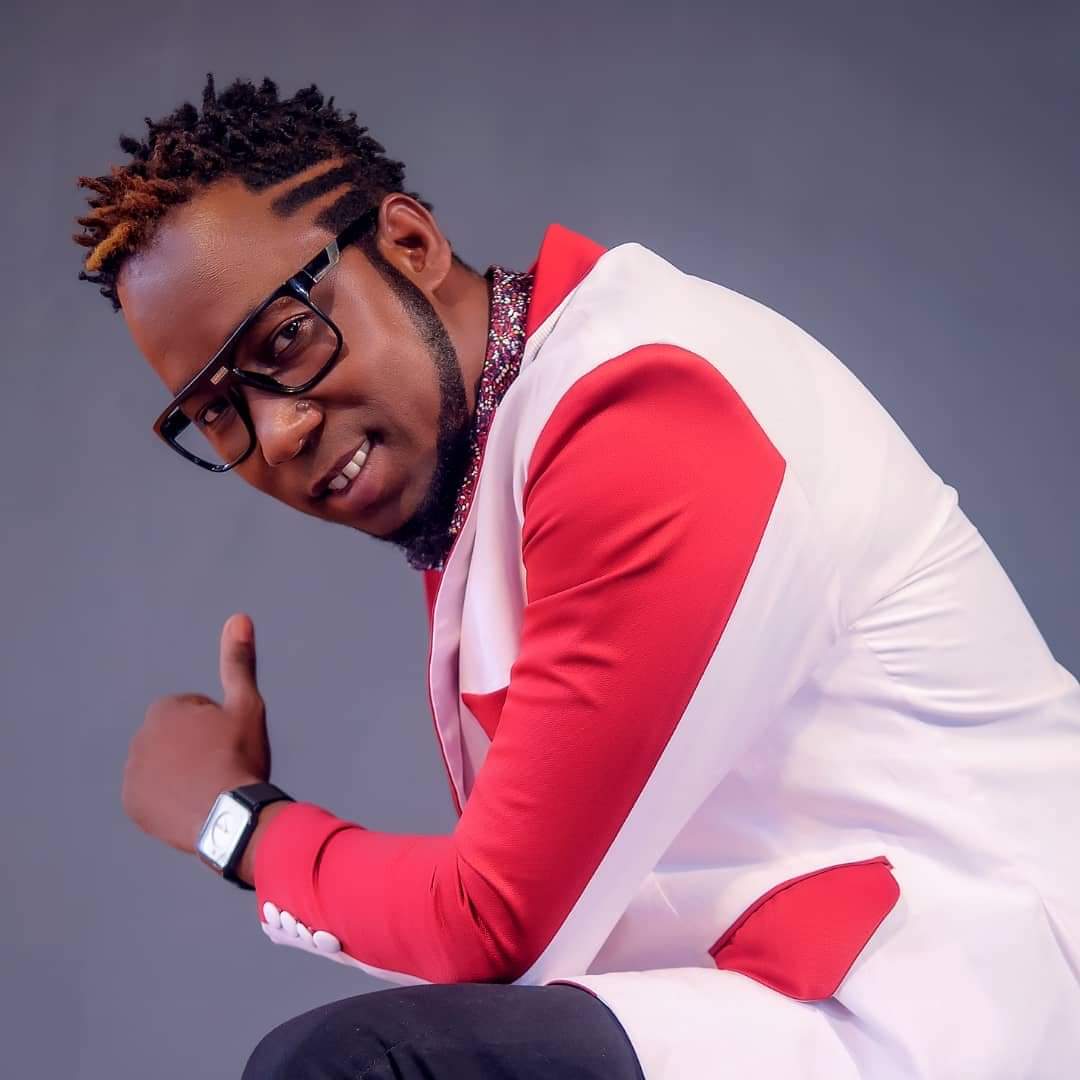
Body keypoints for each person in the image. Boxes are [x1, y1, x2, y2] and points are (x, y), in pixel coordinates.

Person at [74, 75, 1080, 1079]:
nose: (280, 431)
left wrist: (236, 822)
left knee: (362, 1066)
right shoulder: (490, 459)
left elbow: (492, 920)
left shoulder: (644, 409)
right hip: (813, 997)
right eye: (218, 412)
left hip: (986, 995)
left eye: (288, 338)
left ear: (411, 245)